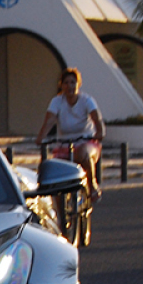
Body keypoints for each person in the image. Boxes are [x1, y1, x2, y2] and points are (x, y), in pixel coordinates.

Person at [35, 67, 105, 200]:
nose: (69, 86)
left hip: (86, 140)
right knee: (55, 175)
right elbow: (49, 121)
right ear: (61, 85)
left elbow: (97, 118)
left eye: (73, 82)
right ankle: (61, 216)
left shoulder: (87, 100)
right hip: (64, 144)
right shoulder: (57, 101)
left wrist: (100, 132)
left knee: (84, 153)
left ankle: (92, 184)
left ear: (78, 84)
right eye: (66, 83)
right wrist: (40, 138)